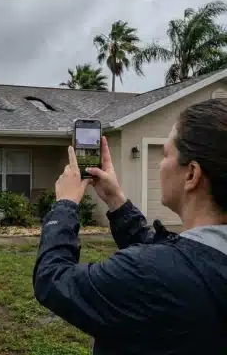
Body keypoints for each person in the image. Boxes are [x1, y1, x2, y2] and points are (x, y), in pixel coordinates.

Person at [33, 98, 227, 354]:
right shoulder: (194, 265)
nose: (159, 163)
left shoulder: (147, 274)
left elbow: (54, 279)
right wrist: (117, 202)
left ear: (192, 174)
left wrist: (66, 205)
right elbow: (180, 262)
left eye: (165, 154)